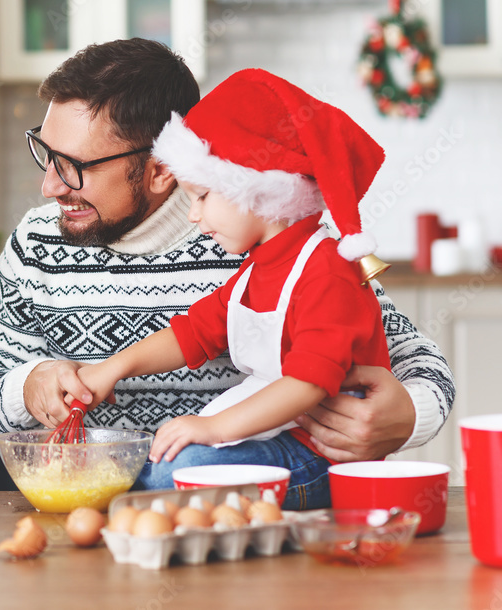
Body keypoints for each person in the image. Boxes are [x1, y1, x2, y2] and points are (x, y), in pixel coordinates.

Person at [0, 38, 454, 509]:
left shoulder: (274, 243)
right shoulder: (38, 242)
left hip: (225, 503)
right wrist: (28, 387)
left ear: (160, 170)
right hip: (98, 515)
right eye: (46, 154)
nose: (49, 186)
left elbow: (417, 361)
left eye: (71, 166)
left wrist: (410, 414)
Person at [67, 69, 392, 509]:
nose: (193, 216)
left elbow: (308, 384)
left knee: (173, 471)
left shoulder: (327, 271)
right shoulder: (257, 270)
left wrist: (214, 428)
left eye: (201, 196)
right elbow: (192, 333)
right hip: (278, 440)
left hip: (320, 457)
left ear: (255, 189)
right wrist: (113, 368)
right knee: (155, 466)